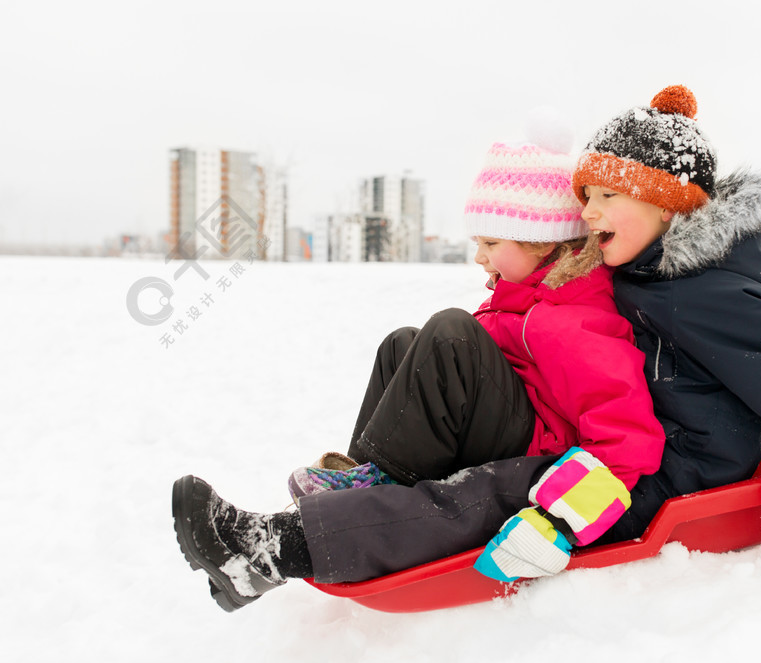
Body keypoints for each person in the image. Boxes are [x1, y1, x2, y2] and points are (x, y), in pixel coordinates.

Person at [172, 125, 665, 611]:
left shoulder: (575, 319)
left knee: (450, 334)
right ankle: (358, 483)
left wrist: (563, 515)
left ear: (541, 243)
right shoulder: (521, 300)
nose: (479, 257)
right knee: (403, 344)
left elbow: (628, 438)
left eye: (491, 244)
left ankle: (374, 488)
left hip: (539, 451)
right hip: (510, 423)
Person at [570, 84, 761, 544]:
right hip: (637, 449)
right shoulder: (645, 274)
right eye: (587, 195)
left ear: (668, 205)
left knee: (523, 499)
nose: (589, 212)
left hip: (674, 473)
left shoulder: (703, 293)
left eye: (608, 194)